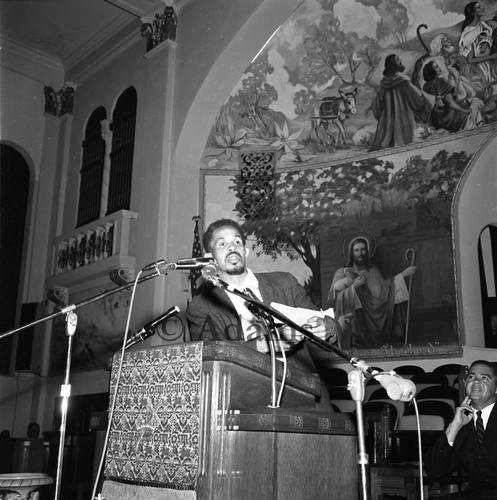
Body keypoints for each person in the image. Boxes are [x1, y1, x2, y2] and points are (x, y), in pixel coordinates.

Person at [186, 218, 347, 408]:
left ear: (245, 251)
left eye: (237, 241)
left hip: (306, 397)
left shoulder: (284, 284)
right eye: (222, 244)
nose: (232, 247)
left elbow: (328, 329)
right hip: (245, 404)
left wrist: (328, 328)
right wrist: (263, 345)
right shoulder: (201, 307)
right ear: (209, 258)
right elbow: (212, 360)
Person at [328, 233, 415, 350]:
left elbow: (385, 293)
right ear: (351, 252)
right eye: (356, 250)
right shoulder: (341, 273)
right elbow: (332, 299)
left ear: (368, 251)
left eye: (363, 249)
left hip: (372, 325)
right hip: (352, 322)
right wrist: (353, 287)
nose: (360, 253)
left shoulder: (374, 271)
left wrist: (403, 275)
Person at [424, 360, 497, 499]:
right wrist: (455, 426)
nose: (475, 381)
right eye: (471, 377)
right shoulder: (460, 420)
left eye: (484, 378)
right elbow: (434, 470)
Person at [369, 54, 436, 152]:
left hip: (386, 122)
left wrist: (383, 116)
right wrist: (432, 99)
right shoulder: (404, 81)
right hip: (403, 119)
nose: (400, 60)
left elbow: (376, 104)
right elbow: (418, 98)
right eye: (397, 59)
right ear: (394, 64)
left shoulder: (383, 84)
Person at [422, 60, 482, 132]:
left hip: (436, 118)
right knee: (476, 102)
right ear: (432, 71)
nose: (440, 68)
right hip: (448, 118)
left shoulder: (426, 85)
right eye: (436, 67)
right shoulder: (440, 82)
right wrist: (465, 111)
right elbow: (451, 103)